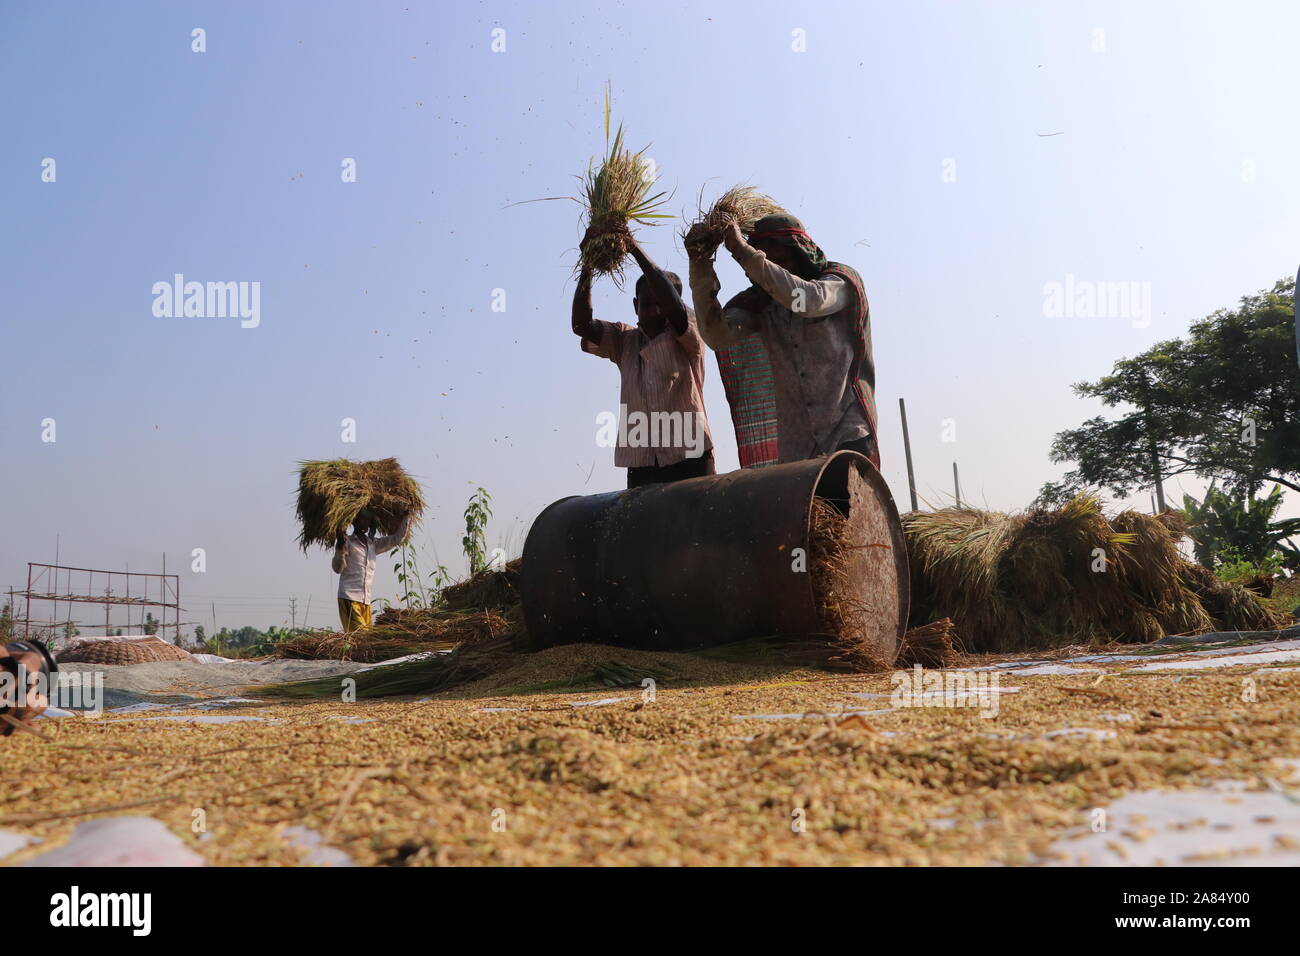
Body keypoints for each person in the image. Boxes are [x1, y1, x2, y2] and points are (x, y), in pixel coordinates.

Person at [688, 213, 879, 467]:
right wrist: (700, 265)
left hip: (847, 431)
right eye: (768, 263)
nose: (775, 271)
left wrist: (742, 252)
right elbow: (716, 335)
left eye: (782, 261)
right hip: (797, 446)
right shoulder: (760, 304)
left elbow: (807, 301)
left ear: (801, 255)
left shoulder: (838, 283)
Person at [573, 223, 716, 488]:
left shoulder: (689, 334)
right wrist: (587, 265)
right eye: (647, 305)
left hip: (690, 457)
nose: (653, 312)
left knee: (695, 528)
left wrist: (633, 247)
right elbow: (581, 326)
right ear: (635, 306)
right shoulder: (623, 340)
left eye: (660, 304)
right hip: (642, 464)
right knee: (644, 530)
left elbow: (675, 310)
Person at [332, 509, 412, 632]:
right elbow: (338, 568)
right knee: (361, 638)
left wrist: (407, 516)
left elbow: (396, 539)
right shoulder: (347, 542)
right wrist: (340, 547)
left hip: (366, 601)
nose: (365, 522)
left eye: (368, 519)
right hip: (349, 597)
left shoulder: (373, 544)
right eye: (362, 518)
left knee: (365, 642)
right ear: (354, 521)